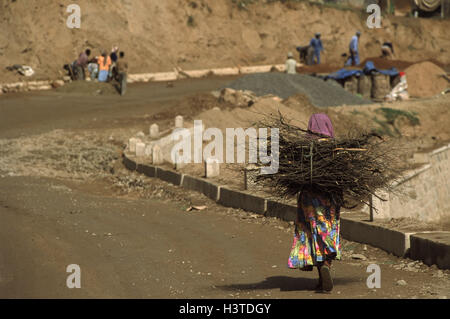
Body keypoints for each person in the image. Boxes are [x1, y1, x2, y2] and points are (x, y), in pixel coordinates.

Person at [288, 113, 341, 293]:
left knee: (312, 233)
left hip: (308, 200)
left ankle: (321, 273)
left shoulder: (301, 149)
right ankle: (326, 263)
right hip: (328, 199)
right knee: (326, 231)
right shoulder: (336, 149)